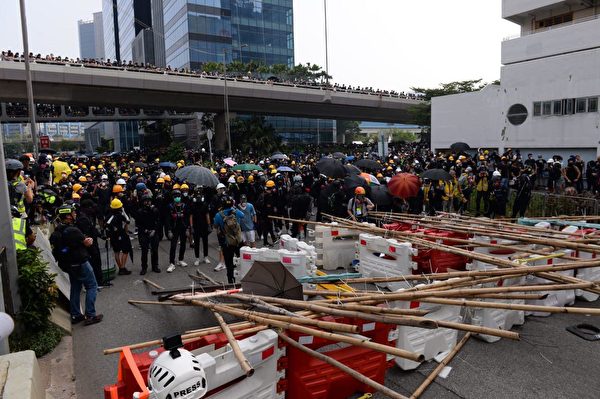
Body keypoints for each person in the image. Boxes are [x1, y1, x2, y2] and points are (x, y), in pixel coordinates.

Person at [50, 204, 103, 325]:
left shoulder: (58, 230)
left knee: (75, 287)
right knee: (92, 286)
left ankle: (75, 315)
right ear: (68, 216)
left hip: (68, 265)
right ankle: (90, 315)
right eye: (73, 213)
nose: (75, 214)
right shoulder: (73, 230)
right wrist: (89, 241)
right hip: (80, 263)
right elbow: (86, 242)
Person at [213, 196, 244, 284]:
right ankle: (246, 279)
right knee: (243, 261)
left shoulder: (219, 215)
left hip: (227, 243)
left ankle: (231, 282)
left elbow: (215, 226)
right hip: (238, 241)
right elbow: (243, 215)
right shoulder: (236, 212)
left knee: (229, 264)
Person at [105, 198, 133, 275]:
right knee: (126, 250)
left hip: (113, 236)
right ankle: (123, 267)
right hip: (121, 234)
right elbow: (128, 220)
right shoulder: (120, 215)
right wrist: (124, 211)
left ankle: (120, 268)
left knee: (116, 251)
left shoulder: (109, 215)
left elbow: (106, 225)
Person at [136, 194, 161, 274]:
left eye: (149, 201)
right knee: (144, 251)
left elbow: (158, 221)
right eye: (146, 201)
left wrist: (154, 230)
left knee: (155, 250)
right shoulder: (140, 211)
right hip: (144, 233)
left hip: (154, 232)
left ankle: (155, 266)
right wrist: (145, 230)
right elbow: (138, 224)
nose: (148, 203)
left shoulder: (155, 210)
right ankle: (144, 267)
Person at [166, 190, 189, 272]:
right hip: (174, 229)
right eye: (175, 196)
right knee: (173, 246)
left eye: (178, 196)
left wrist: (187, 228)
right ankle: (172, 263)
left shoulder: (184, 206)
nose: (177, 198)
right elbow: (168, 219)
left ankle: (180, 259)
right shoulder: (170, 206)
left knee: (183, 244)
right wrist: (169, 231)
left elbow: (187, 218)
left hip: (183, 228)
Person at [189, 186, 212, 265]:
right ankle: (197, 258)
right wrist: (191, 226)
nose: (198, 194)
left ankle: (205, 257)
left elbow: (207, 215)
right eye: (197, 192)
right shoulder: (192, 203)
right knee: (197, 242)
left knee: (205, 241)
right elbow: (191, 216)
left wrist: (209, 225)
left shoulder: (205, 204)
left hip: (204, 225)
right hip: (196, 225)